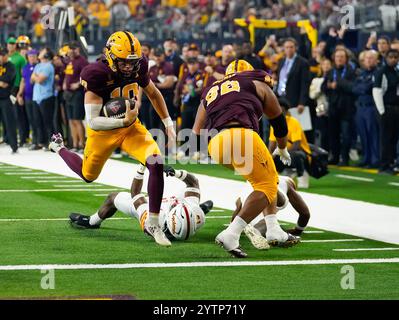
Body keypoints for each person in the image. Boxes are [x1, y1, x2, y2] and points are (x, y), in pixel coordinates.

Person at [49, 31, 176, 247]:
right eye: (123, 63)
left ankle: (153, 223)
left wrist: (168, 124)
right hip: (103, 131)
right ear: (109, 56)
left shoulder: (140, 65)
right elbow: (93, 121)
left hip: (131, 127)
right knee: (88, 175)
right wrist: (123, 121)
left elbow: (154, 93)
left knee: (156, 161)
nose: (129, 67)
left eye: (132, 63)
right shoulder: (95, 73)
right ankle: (59, 147)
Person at [193, 59, 299, 258]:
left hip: (215, 145)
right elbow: (279, 121)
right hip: (241, 136)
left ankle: (273, 227)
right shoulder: (256, 83)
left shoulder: (212, 90)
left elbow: (196, 131)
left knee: (266, 179)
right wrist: (283, 148)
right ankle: (231, 234)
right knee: (266, 187)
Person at [69, 165, 213, 241]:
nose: (177, 204)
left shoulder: (152, 222)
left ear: (172, 217)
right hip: (184, 216)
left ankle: (92, 222)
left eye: (177, 206)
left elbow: (136, 194)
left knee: (112, 198)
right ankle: (202, 209)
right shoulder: (192, 212)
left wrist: (141, 168)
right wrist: (177, 173)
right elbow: (193, 182)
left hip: (149, 208)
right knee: (192, 196)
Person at [233, 175, 310, 249]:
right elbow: (305, 213)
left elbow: (239, 205)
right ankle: (261, 231)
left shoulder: (251, 182)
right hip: (271, 190)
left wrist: (233, 225)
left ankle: (256, 229)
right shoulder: (288, 183)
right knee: (272, 217)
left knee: (261, 219)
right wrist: (298, 230)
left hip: (249, 195)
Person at [321, 48, 356, 166]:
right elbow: (323, 87)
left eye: (342, 57)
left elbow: (352, 87)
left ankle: (345, 158)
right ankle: (335, 157)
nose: (339, 59)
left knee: (346, 135)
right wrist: (329, 86)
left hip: (347, 108)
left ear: (346, 59)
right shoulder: (331, 72)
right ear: (334, 59)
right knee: (333, 135)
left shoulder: (351, 71)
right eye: (337, 57)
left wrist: (338, 83)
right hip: (333, 108)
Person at [269, 98, 312, 188]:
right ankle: (285, 171)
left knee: (297, 155)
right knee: (270, 157)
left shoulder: (294, 122)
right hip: (284, 152)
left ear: (286, 111)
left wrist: (283, 152)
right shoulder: (274, 124)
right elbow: (272, 145)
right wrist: (269, 156)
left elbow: (297, 145)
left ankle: (302, 174)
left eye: (282, 110)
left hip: (302, 154)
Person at [372, 49, 399, 174]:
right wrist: (382, 112)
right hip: (385, 109)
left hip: (395, 109)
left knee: (393, 138)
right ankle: (383, 165)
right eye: (391, 57)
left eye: (395, 57)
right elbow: (377, 92)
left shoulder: (396, 72)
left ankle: (390, 162)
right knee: (385, 139)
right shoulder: (381, 72)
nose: (393, 59)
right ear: (386, 58)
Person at [353, 50, 380, 169]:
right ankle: (366, 158)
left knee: (372, 134)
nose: (368, 60)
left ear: (376, 60)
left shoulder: (378, 73)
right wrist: (363, 87)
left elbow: (368, 88)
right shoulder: (361, 73)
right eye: (366, 58)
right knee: (363, 134)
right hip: (360, 107)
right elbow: (355, 89)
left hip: (371, 107)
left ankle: (375, 159)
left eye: (371, 58)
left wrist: (362, 87)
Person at [63, 41, 89, 153]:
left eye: (74, 49)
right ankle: (75, 144)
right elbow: (67, 74)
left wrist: (78, 84)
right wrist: (65, 82)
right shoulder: (70, 61)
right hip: (68, 93)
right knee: (71, 120)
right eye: (70, 49)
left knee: (77, 120)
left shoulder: (82, 61)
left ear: (77, 49)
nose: (71, 51)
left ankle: (82, 144)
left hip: (77, 94)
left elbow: (87, 75)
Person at [31, 47, 55, 149]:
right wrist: (36, 77)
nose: (40, 52)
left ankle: (52, 143)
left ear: (46, 55)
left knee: (47, 122)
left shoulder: (48, 66)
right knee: (38, 121)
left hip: (46, 96)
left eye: (42, 52)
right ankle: (41, 142)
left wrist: (36, 77)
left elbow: (40, 80)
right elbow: (32, 79)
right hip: (36, 97)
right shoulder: (38, 65)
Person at [17, 49, 40, 150]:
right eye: (30, 56)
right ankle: (33, 140)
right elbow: (23, 81)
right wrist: (20, 94)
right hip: (27, 97)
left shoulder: (38, 67)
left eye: (34, 56)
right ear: (27, 57)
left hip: (36, 97)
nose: (32, 58)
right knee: (30, 119)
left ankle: (38, 140)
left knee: (37, 119)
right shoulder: (25, 67)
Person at [0, 47, 17, 153]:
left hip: (6, 99)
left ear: (6, 56)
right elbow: (2, 83)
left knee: (9, 123)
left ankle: (14, 146)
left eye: (2, 55)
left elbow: (7, 80)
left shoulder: (11, 66)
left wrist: (3, 83)